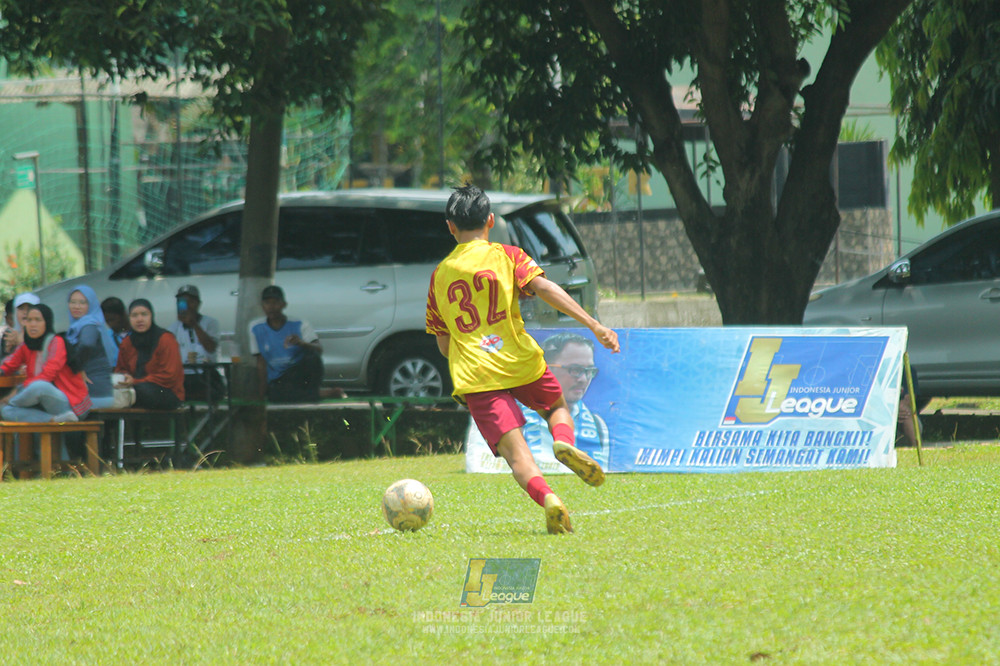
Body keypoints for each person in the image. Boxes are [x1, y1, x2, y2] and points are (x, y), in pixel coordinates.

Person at [425, 184, 620, 534]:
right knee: (558, 407)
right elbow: (546, 288)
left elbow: (442, 346)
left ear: (450, 227)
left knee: (518, 456)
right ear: (490, 221)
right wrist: (593, 324)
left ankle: (549, 499)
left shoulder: (440, 275)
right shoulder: (507, 255)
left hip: (477, 375)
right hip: (520, 360)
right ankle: (563, 442)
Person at [521, 332, 610, 467]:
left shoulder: (597, 425)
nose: (583, 379)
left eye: (589, 371)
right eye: (575, 369)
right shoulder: (514, 415)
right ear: (546, 368)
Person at [1, 304, 92, 422]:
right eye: (29, 320)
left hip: (70, 404)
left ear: (47, 322)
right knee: (6, 411)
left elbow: (47, 376)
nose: (32, 324)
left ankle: (12, 403)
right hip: (47, 408)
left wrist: (14, 395)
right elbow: (10, 364)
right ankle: (53, 420)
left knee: (39, 386)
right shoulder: (27, 345)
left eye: (38, 320)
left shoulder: (56, 342)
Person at [249, 285, 324, 403]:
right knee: (278, 396)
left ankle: (313, 393)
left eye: (275, 303)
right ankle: (321, 393)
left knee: (312, 357)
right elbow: (261, 363)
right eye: (267, 303)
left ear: (284, 305)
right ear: (262, 306)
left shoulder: (299, 323)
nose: (271, 307)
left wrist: (302, 343)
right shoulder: (256, 327)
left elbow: (319, 349)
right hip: (278, 379)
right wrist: (261, 394)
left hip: (298, 374)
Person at [114, 299, 185, 409]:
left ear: (151, 316)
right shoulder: (127, 342)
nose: (139, 319)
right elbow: (121, 369)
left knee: (142, 391)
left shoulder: (166, 339)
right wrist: (125, 378)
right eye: (134, 315)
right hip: (135, 389)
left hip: (166, 391)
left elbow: (169, 376)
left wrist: (136, 381)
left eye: (144, 314)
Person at [65, 286, 119, 410]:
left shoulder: (89, 324)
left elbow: (87, 344)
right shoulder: (80, 326)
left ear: (91, 305)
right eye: (73, 302)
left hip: (93, 396)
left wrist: (77, 367)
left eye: (82, 303)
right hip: (98, 394)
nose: (76, 306)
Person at [168, 284, 224, 401]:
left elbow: (210, 347)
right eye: (182, 302)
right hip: (184, 375)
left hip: (205, 374)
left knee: (212, 388)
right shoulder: (173, 328)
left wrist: (194, 324)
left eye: (191, 302)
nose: (187, 306)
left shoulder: (210, 323)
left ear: (198, 304)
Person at [2, 292, 40, 357]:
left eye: (29, 308)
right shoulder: (10, 336)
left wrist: (21, 342)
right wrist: (9, 349)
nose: (25, 312)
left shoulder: (45, 336)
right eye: (21, 309)